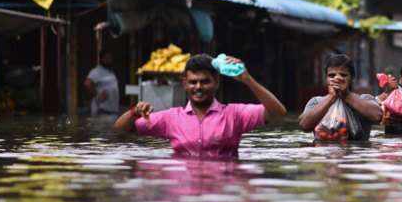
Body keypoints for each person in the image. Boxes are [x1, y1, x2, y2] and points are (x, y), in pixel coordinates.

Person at [113, 54, 286, 159]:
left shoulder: (234, 115)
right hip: (184, 191)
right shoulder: (171, 118)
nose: (198, 87)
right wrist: (134, 112)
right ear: (185, 84)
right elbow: (119, 130)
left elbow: (278, 113)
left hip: (224, 188)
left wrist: (247, 79)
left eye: (205, 81)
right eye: (193, 82)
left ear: (217, 82)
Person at [299, 54, 382, 141]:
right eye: (331, 75)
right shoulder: (316, 101)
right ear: (326, 78)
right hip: (325, 152)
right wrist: (331, 98)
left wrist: (346, 95)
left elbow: (377, 117)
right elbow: (304, 125)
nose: (337, 79)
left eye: (343, 75)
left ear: (352, 77)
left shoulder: (365, 99)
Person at [84, 50, 120, 116]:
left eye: (110, 58)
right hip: (102, 111)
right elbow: (87, 84)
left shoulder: (110, 72)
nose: (109, 60)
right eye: (106, 58)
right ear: (101, 59)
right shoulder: (97, 71)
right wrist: (97, 94)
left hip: (111, 110)